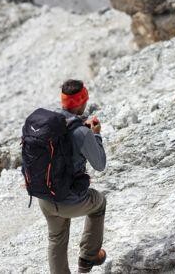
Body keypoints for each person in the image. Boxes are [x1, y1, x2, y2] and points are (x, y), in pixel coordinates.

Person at [39, 80, 107, 274]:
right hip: (68, 200)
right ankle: (89, 256)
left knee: (56, 238)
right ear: (81, 101)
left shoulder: (48, 122)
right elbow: (100, 165)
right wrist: (95, 136)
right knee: (99, 203)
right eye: (85, 98)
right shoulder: (82, 132)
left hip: (44, 195)